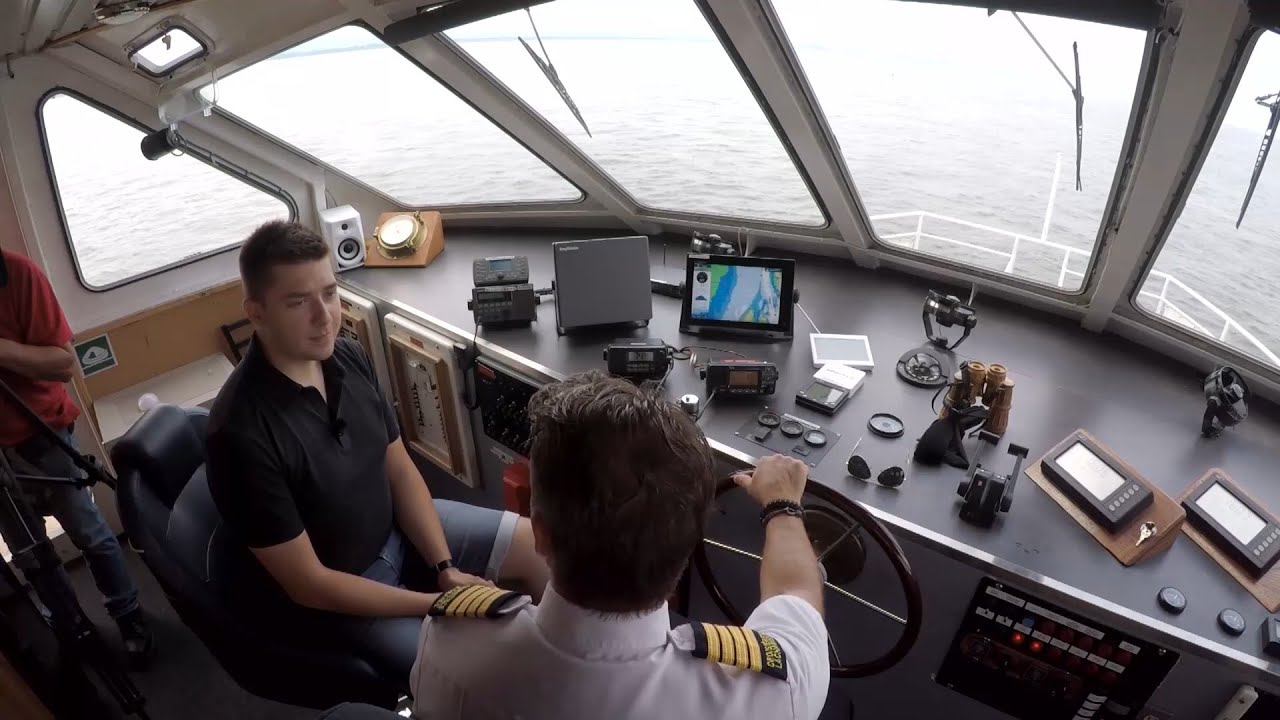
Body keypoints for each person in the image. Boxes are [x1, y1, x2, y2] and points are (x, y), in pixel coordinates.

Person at [205, 221, 549, 686]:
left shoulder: (347, 356)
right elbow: (310, 585)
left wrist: (444, 567)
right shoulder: (239, 434)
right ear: (257, 313)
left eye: (328, 293)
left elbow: (400, 470)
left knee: (538, 547)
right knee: (479, 680)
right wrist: (437, 602)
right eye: (297, 302)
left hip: (400, 533)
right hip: (345, 590)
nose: (323, 316)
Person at [410, 372, 830, 719]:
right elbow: (796, 595)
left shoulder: (450, 641)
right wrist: (782, 505)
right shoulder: (769, 695)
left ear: (539, 531)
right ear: (688, 544)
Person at [0, 248, 154, 667]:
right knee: (31, 555)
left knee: (90, 535)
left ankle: (128, 615)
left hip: (42, 437)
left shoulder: (18, 275)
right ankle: (69, 628)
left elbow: (63, 362)